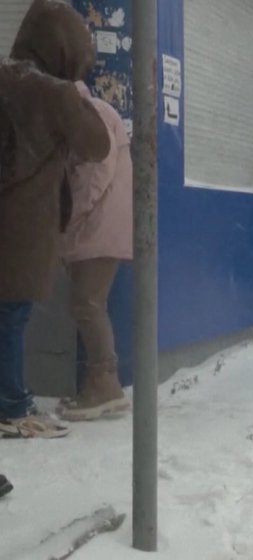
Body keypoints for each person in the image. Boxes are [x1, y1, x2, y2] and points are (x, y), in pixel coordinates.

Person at [0, 0, 111, 439]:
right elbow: (98, 145)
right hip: (23, 226)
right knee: (11, 314)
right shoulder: (55, 94)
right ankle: (12, 405)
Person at [56, 80, 133, 422]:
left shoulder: (93, 115)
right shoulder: (95, 113)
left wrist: (67, 222)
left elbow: (91, 179)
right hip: (102, 227)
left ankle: (106, 386)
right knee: (87, 303)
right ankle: (100, 383)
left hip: (97, 228)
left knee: (87, 304)